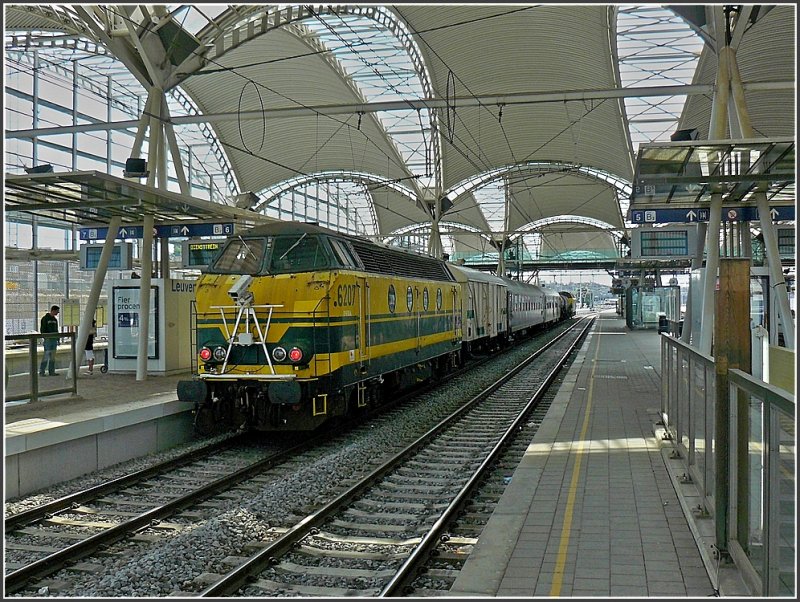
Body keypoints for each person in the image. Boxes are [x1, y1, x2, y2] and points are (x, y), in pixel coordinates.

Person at [39, 305, 60, 376]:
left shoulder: (55, 319)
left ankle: (51, 371)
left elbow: (56, 329)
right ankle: (42, 371)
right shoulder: (45, 319)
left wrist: (58, 338)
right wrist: (45, 337)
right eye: (57, 311)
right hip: (48, 340)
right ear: (53, 310)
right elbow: (42, 329)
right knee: (46, 355)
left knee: (52, 356)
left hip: (54, 339)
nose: (57, 313)